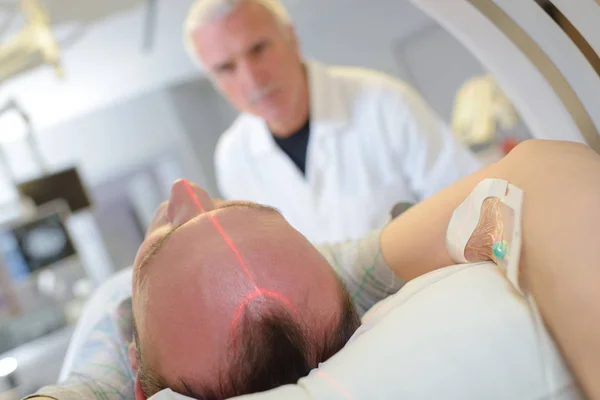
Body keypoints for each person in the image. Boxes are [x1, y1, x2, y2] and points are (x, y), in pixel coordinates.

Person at [25, 139, 600, 400]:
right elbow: (530, 176)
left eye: (158, 246)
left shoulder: (118, 358)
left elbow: (527, 186)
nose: (187, 189)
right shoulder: (341, 277)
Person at [184, 0, 481, 244]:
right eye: (226, 68)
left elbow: (471, 201)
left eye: (258, 49)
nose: (251, 79)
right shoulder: (233, 157)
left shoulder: (382, 102)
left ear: (292, 39)